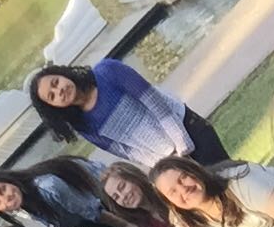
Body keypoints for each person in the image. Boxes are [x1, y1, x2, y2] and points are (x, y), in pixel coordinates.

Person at [29, 59, 230, 168]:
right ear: (54, 107)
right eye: (52, 96)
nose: (59, 91)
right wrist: (168, 164)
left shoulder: (108, 71)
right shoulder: (83, 125)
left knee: (232, 176)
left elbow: (156, 104)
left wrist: (183, 147)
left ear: (63, 74)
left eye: (56, 82)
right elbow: (127, 151)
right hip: (169, 159)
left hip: (186, 127)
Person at [0, 156, 130, 227]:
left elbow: (91, 211)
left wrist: (125, 226)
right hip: (88, 217)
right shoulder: (27, 203)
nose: (6, 198)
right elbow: (68, 222)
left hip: (106, 195)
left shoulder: (47, 186)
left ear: (9, 180)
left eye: (3, 189)